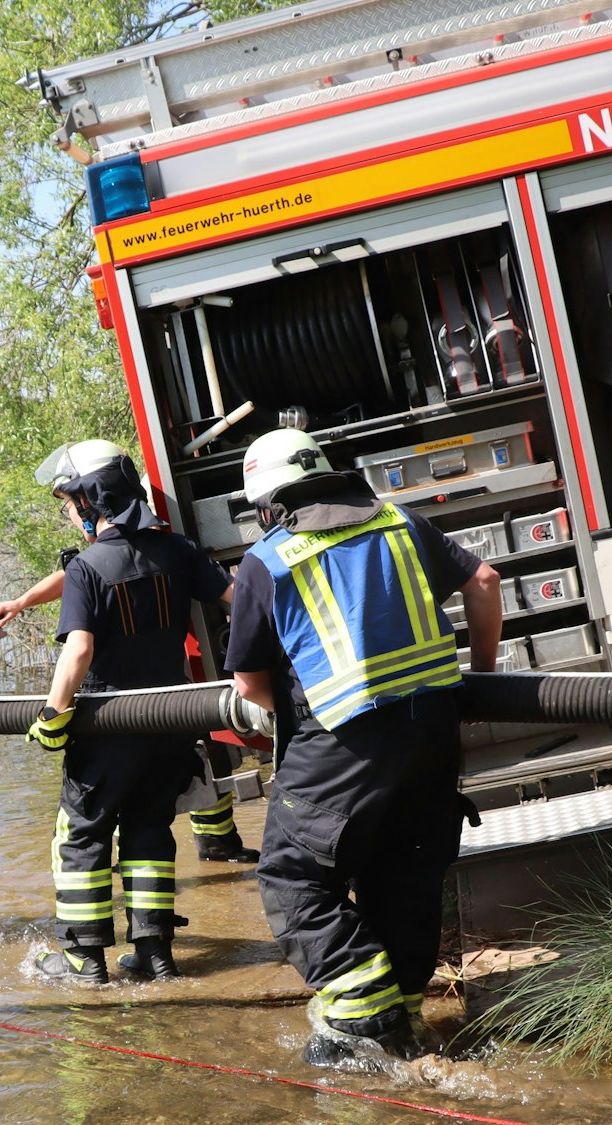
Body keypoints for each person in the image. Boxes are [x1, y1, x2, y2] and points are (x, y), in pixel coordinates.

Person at [223, 428, 505, 1067]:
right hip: (435, 734)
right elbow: (484, 581)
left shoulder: (268, 559)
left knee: (291, 877)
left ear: (268, 503)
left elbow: (250, 685)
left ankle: (365, 1019)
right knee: (402, 875)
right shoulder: (401, 522)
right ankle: (405, 1025)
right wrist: (480, 679)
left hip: (342, 744)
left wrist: (305, 715)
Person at [24, 440, 233, 983]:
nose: (69, 513)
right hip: (169, 725)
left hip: (108, 729)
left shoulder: (88, 568)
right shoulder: (180, 551)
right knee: (148, 831)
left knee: (82, 836)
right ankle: (155, 954)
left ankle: (83, 963)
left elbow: (80, 650)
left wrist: (52, 717)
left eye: (70, 503)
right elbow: (239, 599)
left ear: (92, 503)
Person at [0, 559, 259, 866]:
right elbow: (75, 574)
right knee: (136, 778)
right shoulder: (126, 552)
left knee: (206, 758)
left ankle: (217, 845)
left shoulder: (171, 549)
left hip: (186, 680)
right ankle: (133, 860)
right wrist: (21, 602)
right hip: (138, 692)